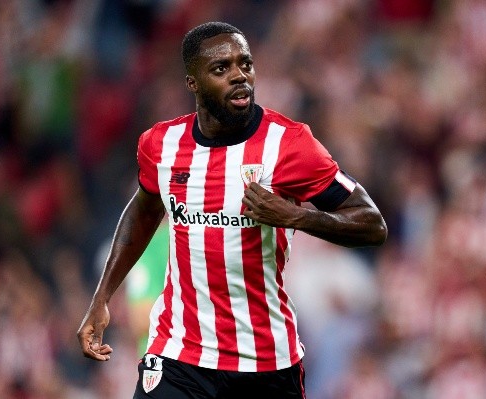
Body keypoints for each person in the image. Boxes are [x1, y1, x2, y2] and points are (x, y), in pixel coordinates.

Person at [77, 21, 387, 398]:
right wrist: (102, 297)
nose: (239, 75)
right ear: (192, 82)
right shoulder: (161, 144)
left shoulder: (289, 144)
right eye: (221, 68)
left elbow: (372, 224)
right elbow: (144, 210)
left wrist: (297, 217)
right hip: (178, 353)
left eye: (246, 63)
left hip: (264, 363)